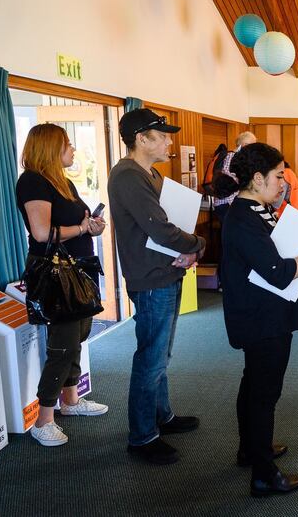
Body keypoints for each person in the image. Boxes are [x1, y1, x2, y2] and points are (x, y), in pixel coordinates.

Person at [216, 143, 298, 497]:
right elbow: (278, 271)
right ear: (256, 179)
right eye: (277, 177)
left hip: (267, 312)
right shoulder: (244, 217)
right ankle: (263, 474)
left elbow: (279, 252)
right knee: (264, 393)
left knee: (254, 384)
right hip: (261, 317)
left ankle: (252, 449)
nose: (283, 183)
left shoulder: (258, 209)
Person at [108, 109, 206, 465]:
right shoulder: (128, 176)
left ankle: (161, 416)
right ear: (141, 139)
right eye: (162, 136)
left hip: (165, 271)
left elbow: (164, 225)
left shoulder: (149, 173)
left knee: (160, 354)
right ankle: (142, 436)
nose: (169, 141)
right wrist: (196, 245)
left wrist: (186, 252)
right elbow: (159, 228)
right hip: (150, 279)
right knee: (150, 356)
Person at [16, 124, 109, 447]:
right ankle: (44, 420)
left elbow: (75, 226)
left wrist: (91, 228)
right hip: (55, 275)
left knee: (79, 336)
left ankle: (71, 401)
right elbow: (42, 233)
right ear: (51, 148)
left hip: (78, 271)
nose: (73, 150)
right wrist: (82, 227)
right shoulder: (32, 181)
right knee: (63, 345)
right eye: (67, 145)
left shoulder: (63, 182)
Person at [213, 132, 257, 288]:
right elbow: (232, 183)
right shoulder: (232, 158)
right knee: (230, 244)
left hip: (228, 204)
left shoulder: (237, 158)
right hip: (227, 205)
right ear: (244, 145)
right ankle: (225, 281)